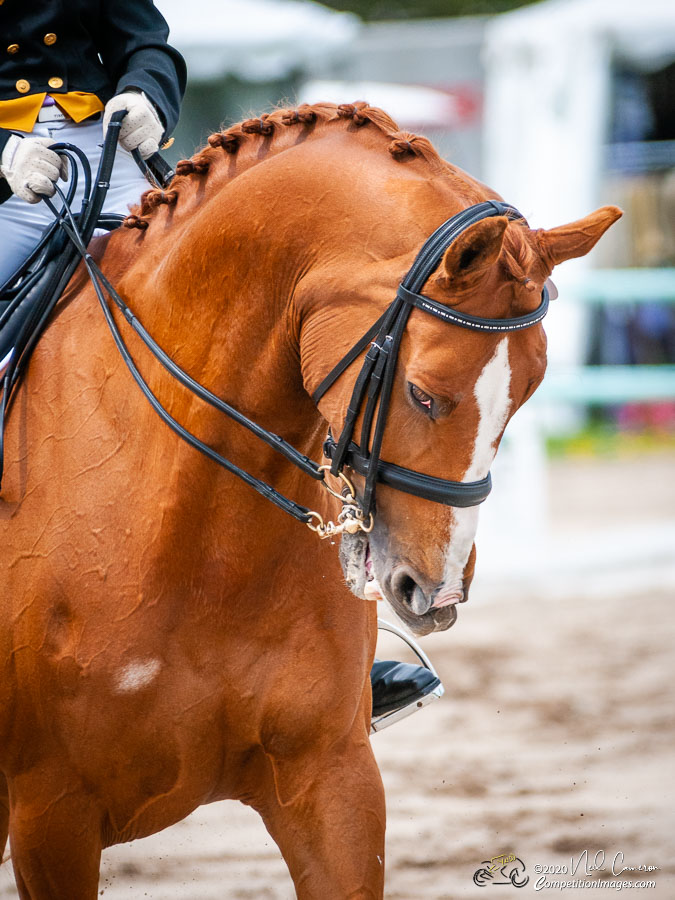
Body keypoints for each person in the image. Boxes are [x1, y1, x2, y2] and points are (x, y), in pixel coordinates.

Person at [0, 0, 440, 727]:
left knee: (244, 341)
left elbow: (147, 43)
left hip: (107, 155)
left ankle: (336, 658)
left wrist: (145, 92)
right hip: (7, 176)